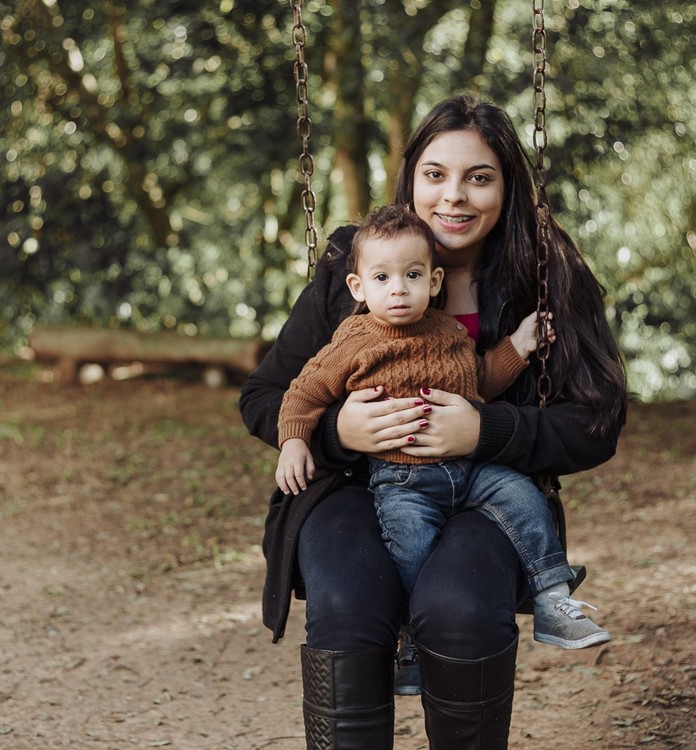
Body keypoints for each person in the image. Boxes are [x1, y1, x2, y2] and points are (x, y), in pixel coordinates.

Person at [240, 93, 627, 749]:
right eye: (435, 174)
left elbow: (594, 420)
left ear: (507, 186)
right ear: (410, 178)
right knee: (347, 603)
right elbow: (268, 394)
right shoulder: (354, 263)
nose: (455, 197)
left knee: (461, 607)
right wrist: (339, 434)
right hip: (356, 488)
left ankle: (556, 603)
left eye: (479, 177)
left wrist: (485, 431)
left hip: (483, 487)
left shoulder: (545, 270)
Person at [274, 204, 610, 652]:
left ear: (434, 282)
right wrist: (296, 440)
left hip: (471, 467)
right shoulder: (353, 341)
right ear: (358, 286)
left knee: (522, 497)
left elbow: (481, 379)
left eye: (412, 275)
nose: (398, 290)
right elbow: (303, 392)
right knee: (411, 550)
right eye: (382, 279)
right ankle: (412, 637)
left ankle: (552, 597)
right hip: (402, 482)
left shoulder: (449, 332)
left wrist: (519, 345)